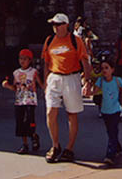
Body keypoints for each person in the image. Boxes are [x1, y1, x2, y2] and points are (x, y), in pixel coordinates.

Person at [42, 12, 91, 163]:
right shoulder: (49, 40)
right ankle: (55, 145)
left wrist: (87, 81)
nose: (54, 27)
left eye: (57, 24)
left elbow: (85, 61)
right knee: (51, 111)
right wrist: (45, 82)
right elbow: (46, 62)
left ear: (65, 25)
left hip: (72, 77)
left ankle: (69, 148)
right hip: (54, 77)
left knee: (72, 114)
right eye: (53, 24)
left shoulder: (75, 41)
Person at [2, 48, 43, 154]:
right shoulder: (16, 73)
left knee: (30, 121)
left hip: (30, 100)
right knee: (20, 122)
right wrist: (7, 86)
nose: (22, 61)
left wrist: (47, 91)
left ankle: (33, 135)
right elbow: (15, 87)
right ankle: (25, 144)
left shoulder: (34, 72)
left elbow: (41, 84)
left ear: (30, 60)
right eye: (20, 58)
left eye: (25, 59)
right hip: (19, 101)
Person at [93, 56, 122, 166]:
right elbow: (94, 92)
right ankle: (117, 147)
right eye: (102, 68)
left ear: (112, 69)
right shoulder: (100, 80)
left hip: (115, 110)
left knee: (112, 130)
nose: (104, 70)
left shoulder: (117, 80)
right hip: (105, 111)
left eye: (107, 68)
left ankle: (110, 155)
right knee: (111, 131)